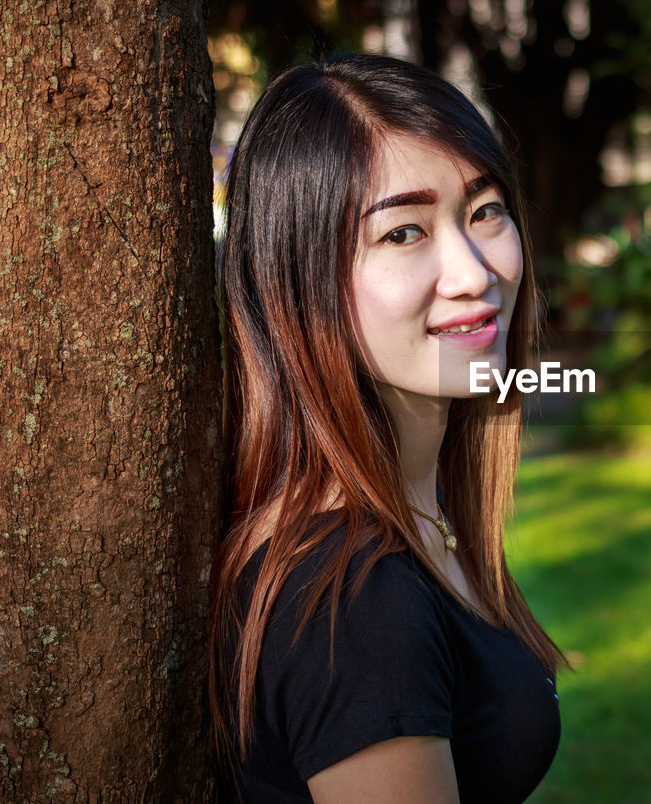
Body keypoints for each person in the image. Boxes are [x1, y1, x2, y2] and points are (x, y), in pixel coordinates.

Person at [208, 54, 565, 804]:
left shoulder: (411, 522)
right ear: (298, 281)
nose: (473, 271)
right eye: (403, 233)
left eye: (484, 210)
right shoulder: (354, 607)